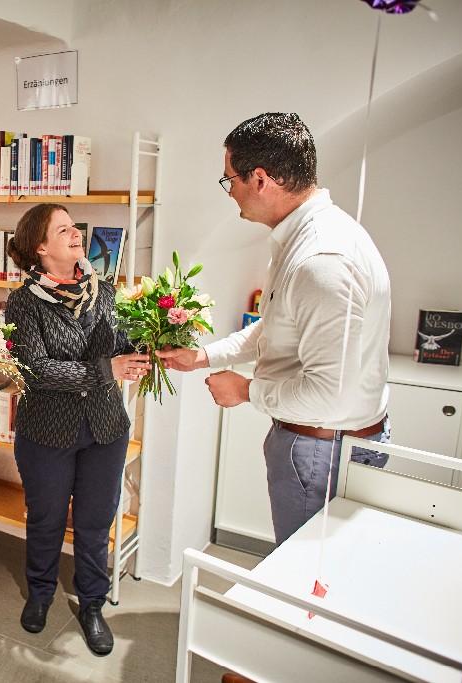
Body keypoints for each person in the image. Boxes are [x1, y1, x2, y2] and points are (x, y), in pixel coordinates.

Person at [158, 112, 391, 546]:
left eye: (231, 181)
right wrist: (204, 356)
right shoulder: (304, 237)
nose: (231, 194)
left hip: (323, 450)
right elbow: (279, 326)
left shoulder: (322, 260)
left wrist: (245, 390)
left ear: (260, 179)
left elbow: (328, 393)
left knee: (306, 581)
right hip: (321, 441)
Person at [3, 203, 152, 656]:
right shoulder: (22, 302)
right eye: (63, 229)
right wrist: (108, 369)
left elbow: (122, 345)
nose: (76, 234)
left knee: (95, 521)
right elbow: (37, 370)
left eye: (75, 227)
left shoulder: (105, 291)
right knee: (46, 520)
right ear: (40, 247)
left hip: (105, 430)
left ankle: (91, 604)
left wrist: (152, 340)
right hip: (46, 432)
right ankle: (42, 593)